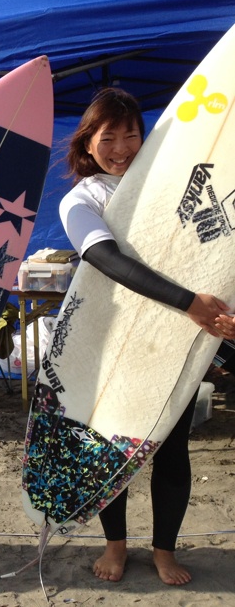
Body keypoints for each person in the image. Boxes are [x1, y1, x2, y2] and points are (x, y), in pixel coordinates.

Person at [60, 87, 233, 586]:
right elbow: (105, 259)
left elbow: (213, 252)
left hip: (175, 342)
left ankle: (163, 551)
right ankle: (115, 545)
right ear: (87, 143)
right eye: (107, 137)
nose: (121, 148)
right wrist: (190, 302)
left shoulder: (175, 187)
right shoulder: (83, 199)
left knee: (172, 450)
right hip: (112, 343)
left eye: (131, 135)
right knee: (112, 447)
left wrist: (219, 314)